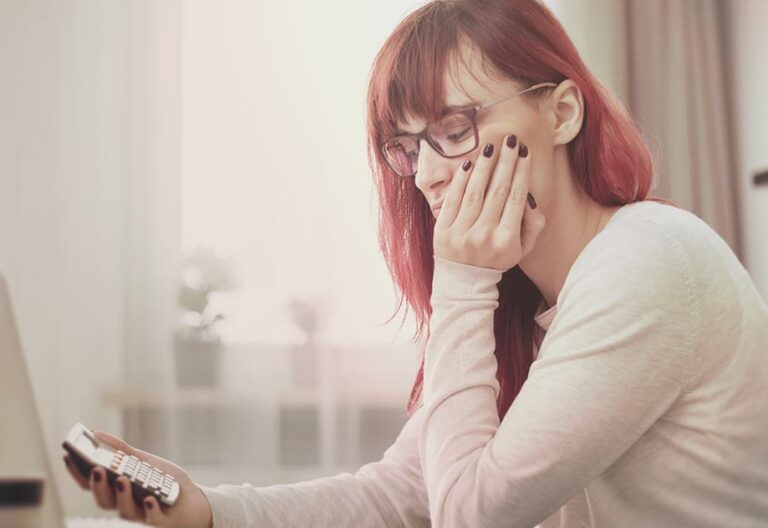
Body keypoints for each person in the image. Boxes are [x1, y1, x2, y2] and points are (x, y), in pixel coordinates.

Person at [64, 0, 768, 526]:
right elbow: (406, 491)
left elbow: (469, 515)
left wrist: (463, 280)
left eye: (456, 130)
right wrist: (209, 509)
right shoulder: (527, 303)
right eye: (408, 147)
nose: (427, 175)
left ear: (560, 115)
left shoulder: (645, 262)